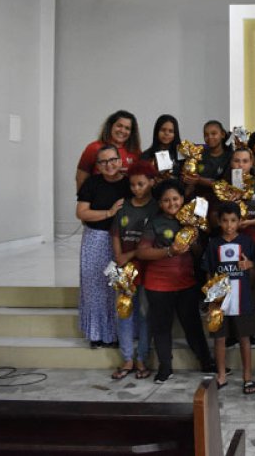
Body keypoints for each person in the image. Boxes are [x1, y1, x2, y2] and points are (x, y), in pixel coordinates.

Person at [137, 179, 216, 383]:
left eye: (175, 198)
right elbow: (143, 252)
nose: (172, 203)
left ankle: (206, 362)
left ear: (183, 199)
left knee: (193, 326)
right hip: (158, 284)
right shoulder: (154, 223)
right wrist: (169, 251)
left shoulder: (190, 220)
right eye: (166, 200)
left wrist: (195, 237)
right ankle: (165, 367)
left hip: (186, 282)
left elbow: (198, 253)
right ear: (159, 203)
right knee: (161, 327)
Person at [76, 145, 131, 348]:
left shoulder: (127, 184)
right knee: (95, 285)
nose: (109, 165)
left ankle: (116, 334)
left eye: (112, 160)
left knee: (117, 287)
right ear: (98, 165)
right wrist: (108, 213)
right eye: (103, 161)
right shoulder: (92, 183)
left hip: (122, 240)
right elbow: (81, 212)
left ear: (120, 160)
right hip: (96, 238)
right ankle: (97, 334)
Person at [202, 201, 255, 393]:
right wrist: (211, 301)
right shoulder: (213, 244)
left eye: (233, 221)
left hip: (242, 299)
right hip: (220, 301)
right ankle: (221, 375)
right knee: (220, 339)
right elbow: (209, 273)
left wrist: (250, 265)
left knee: (244, 338)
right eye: (225, 221)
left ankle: (247, 377)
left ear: (240, 221)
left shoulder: (247, 242)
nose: (229, 225)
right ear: (219, 222)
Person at [110, 160, 157, 380]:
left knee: (146, 314)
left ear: (151, 182)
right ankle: (127, 358)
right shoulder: (123, 206)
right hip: (124, 269)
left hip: (148, 268)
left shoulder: (156, 208)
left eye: (141, 184)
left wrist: (130, 255)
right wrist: (119, 257)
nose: (136, 189)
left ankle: (142, 358)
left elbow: (150, 243)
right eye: (132, 185)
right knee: (124, 312)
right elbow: (116, 233)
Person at [76, 110, 141, 191]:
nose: (122, 131)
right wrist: (85, 200)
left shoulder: (135, 151)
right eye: (119, 126)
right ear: (111, 126)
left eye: (127, 128)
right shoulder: (93, 148)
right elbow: (81, 179)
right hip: (98, 200)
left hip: (125, 200)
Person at [183, 120, 232, 199]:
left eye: (213, 134)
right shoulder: (198, 154)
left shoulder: (230, 157)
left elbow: (226, 186)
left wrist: (200, 180)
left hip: (220, 201)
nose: (209, 137)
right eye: (206, 135)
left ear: (222, 134)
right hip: (198, 200)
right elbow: (191, 180)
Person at [140, 114, 182, 179]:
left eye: (170, 131)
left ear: (175, 134)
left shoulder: (181, 155)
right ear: (157, 132)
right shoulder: (146, 156)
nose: (166, 133)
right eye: (163, 130)